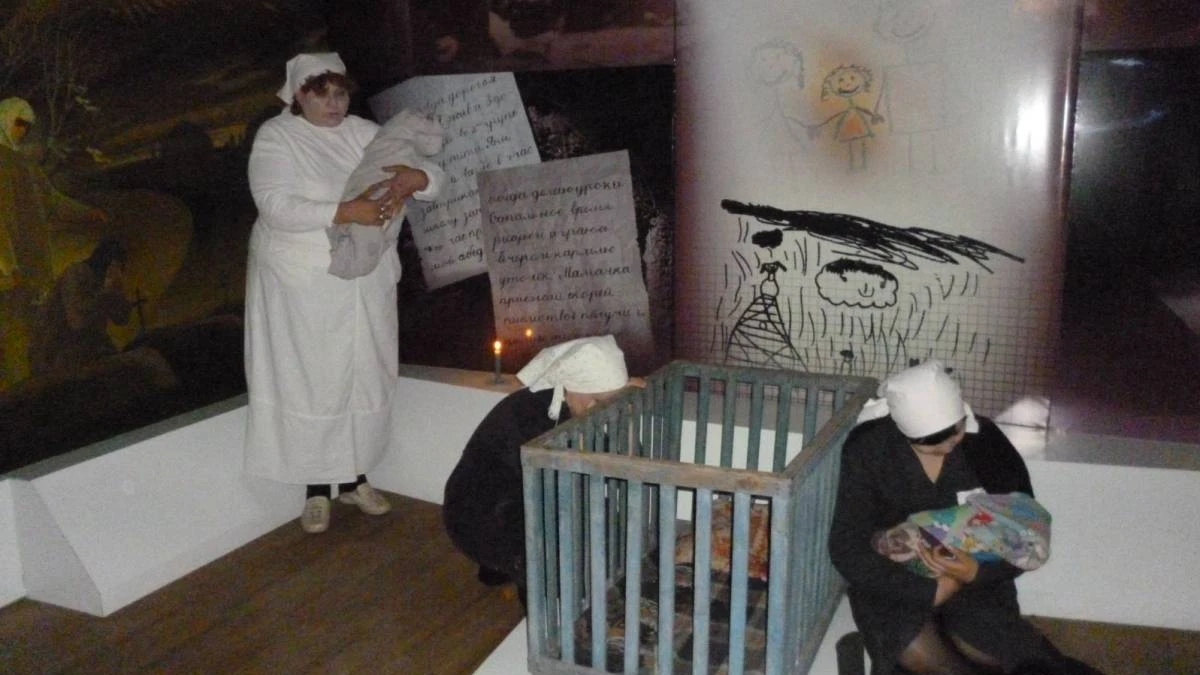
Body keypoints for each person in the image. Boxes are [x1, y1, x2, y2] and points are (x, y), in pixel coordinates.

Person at [243, 52, 444, 534]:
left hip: (366, 276)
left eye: (340, 94)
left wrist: (418, 179)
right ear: (298, 94)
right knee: (315, 378)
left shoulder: (363, 132)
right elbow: (274, 205)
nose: (335, 104)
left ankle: (355, 477)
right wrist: (345, 211)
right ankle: (316, 488)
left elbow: (432, 176)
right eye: (322, 95)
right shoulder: (278, 137)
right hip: (304, 284)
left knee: (363, 373)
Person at [829, 360, 1105, 675]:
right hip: (894, 581)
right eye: (933, 447)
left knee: (992, 648)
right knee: (913, 651)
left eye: (957, 433)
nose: (949, 447)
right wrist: (930, 591)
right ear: (904, 433)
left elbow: (1027, 530)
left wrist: (974, 572)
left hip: (979, 579)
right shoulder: (870, 448)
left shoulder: (985, 443)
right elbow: (847, 546)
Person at [442, 335, 636, 602]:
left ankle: (501, 566)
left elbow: (618, 464)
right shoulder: (532, 414)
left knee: (611, 524)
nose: (604, 412)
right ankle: (533, 594)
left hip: (520, 499)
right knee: (555, 553)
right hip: (480, 514)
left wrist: (627, 413)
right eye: (599, 401)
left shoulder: (570, 406)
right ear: (574, 386)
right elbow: (555, 496)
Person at [0, 96, 108, 386]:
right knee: (13, 338)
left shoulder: (25, 166)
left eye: (26, 125)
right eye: (19, 123)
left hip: (32, 268)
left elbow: (53, 202)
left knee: (37, 333)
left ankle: (35, 388)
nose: (22, 130)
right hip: (9, 277)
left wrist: (88, 213)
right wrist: (8, 267)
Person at [28, 237, 133, 376]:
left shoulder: (102, 281)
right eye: (118, 266)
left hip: (83, 349)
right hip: (57, 355)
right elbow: (78, 321)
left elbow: (122, 318)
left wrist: (116, 291)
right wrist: (108, 293)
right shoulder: (76, 274)